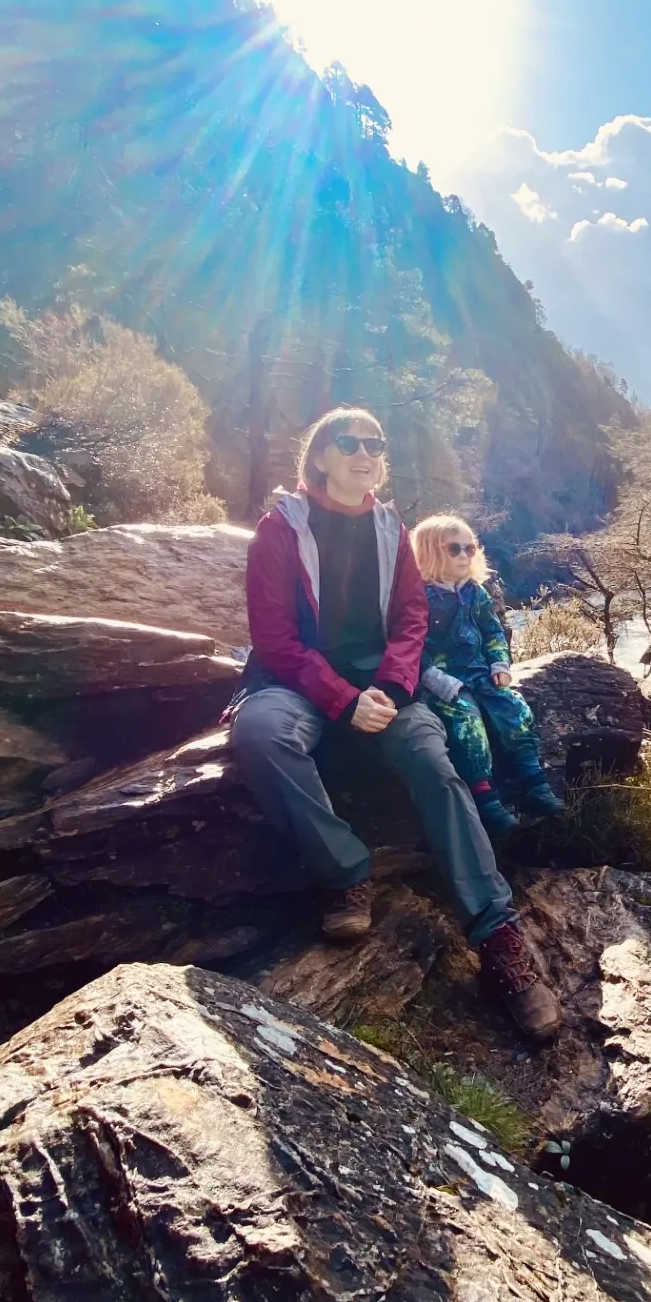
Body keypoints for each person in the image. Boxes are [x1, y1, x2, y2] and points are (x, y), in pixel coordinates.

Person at [226, 407, 561, 1042]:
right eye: (348, 443)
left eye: (374, 444)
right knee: (260, 736)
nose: (365, 453)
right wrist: (341, 698)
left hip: (381, 683)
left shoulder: (389, 527)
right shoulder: (278, 529)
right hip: (296, 680)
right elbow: (273, 638)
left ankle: (498, 937)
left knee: (435, 763)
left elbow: (411, 621)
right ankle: (348, 875)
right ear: (319, 456)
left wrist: (387, 687)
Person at [410, 514, 567, 835]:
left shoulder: (475, 593)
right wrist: (435, 680)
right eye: (454, 549)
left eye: (471, 547)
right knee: (467, 723)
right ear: (429, 552)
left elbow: (493, 632)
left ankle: (534, 780)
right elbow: (412, 646)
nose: (465, 555)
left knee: (513, 708)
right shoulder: (418, 598)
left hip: (481, 673)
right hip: (445, 682)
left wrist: (499, 664)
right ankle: (485, 797)